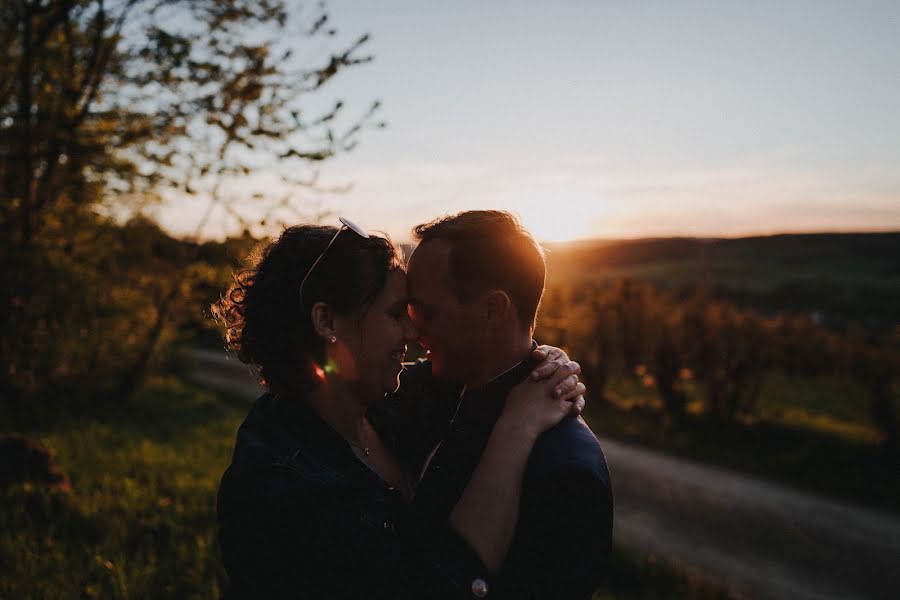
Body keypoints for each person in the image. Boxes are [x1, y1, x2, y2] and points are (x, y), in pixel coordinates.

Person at [214, 221, 587, 599]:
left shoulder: (390, 398)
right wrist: (517, 429)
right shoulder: (277, 489)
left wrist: (543, 362)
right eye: (395, 314)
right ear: (327, 322)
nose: (413, 334)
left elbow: (485, 357)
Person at [398, 210, 614, 599]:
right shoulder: (425, 390)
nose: (412, 329)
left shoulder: (565, 470)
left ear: (493, 311)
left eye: (426, 312)